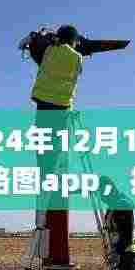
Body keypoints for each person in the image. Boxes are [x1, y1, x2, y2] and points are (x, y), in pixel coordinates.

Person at [31, 25, 83, 229]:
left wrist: (47, 37)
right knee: (59, 157)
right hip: (62, 112)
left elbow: (34, 46)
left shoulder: (48, 51)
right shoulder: (77, 58)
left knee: (44, 159)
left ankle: (42, 214)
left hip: (43, 109)